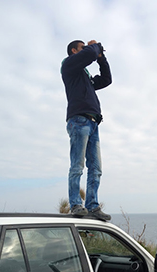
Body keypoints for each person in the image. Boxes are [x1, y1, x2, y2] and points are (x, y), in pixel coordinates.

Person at [61, 40, 112, 220]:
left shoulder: (86, 77)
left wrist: (101, 56)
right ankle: (75, 204)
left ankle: (92, 205)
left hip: (93, 123)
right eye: (82, 47)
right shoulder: (69, 66)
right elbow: (88, 54)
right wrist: (96, 46)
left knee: (96, 168)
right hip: (78, 121)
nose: (87, 50)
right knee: (77, 166)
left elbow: (107, 79)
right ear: (74, 51)